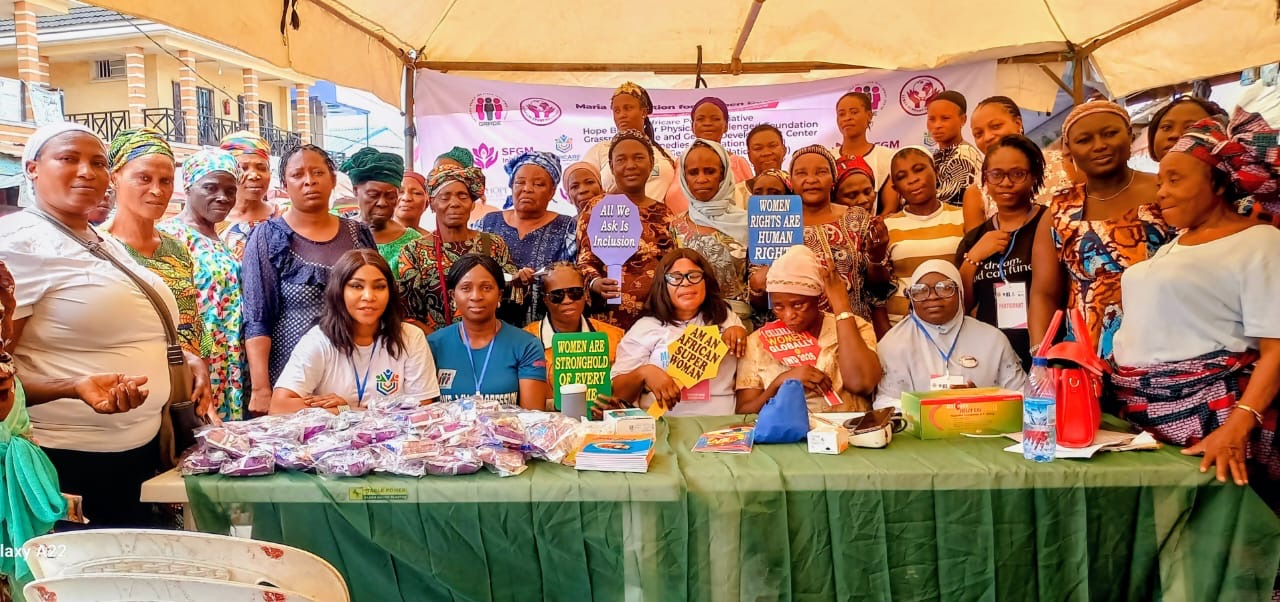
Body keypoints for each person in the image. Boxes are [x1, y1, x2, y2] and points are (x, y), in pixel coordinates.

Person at [0, 123, 189, 527]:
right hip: (68, 462)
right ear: (32, 168)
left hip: (137, 453)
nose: (87, 171)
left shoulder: (100, 240)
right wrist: (71, 387)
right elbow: (2, 375)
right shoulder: (18, 244)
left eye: (98, 163)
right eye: (69, 159)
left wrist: (181, 359)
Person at [1112, 109, 1280, 504]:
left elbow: (1275, 349)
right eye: (1161, 181)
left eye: (1176, 179)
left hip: (1210, 416)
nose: (1162, 192)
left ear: (1218, 184)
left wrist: (1238, 426)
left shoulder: (1259, 243)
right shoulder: (1175, 244)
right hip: (1142, 412)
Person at [1028, 100, 1174, 360]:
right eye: (1084, 140)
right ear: (1069, 149)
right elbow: (1044, 294)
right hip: (1087, 356)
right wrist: (1041, 358)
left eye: (1109, 133)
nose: (1099, 145)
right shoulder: (1059, 210)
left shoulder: (1163, 192)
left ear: (1130, 135)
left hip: (1166, 342)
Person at [242, 144, 377, 413]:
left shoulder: (358, 234)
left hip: (351, 374)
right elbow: (258, 318)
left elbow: (376, 300)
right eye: (297, 175)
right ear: (284, 184)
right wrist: (261, 388)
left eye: (317, 172)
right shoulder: (268, 237)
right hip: (291, 379)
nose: (309, 181)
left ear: (333, 180)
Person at [104, 129, 215, 408]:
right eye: (144, 178)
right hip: (122, 392)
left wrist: (200, 375)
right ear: (114, 177)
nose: (157, 190)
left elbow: (191, 324)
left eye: (165, 181)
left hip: (179, 392)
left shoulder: (176, 249)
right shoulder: (98, 247)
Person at [271, 249, 439, 414]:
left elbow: (421, 409)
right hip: (333, 439)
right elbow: (280, 406)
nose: (368, 296)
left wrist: (348, 410)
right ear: (339, 290)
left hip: (394, 439)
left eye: (379, 287)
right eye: (356, 286)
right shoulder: (318, 339)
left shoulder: (410, 337)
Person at [157, 148, 247, 421]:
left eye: (230, 190)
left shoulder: (224, 239)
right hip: (197, 360)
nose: (223, 197)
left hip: (231, 359)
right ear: (188, 187)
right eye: (210, 187)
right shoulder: (168, 237)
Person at [736, 245, 880, 413]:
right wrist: (781, 382)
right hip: (785, 437)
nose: (789, 315)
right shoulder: (757, 342)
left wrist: (841, 308)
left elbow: (861, 383)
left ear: (817, 299)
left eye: (798, 304)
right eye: (778, 307)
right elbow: (744, 412)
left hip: (845, 433)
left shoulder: (854, 326)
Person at [610, 249, 747, 416]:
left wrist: (739, 335)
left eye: (694, 275)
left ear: (706, 281)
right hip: (662, 424)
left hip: (720, 426)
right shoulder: (645, 327)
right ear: (663, 285)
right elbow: (617, 394)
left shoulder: (726, 319)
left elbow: (748, 371)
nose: (685, 283)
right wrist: (644, 373)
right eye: (675, 277)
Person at [875, 260, 1027, 409]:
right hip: (918, 432)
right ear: (911, 298)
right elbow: (884, 403)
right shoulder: (893, 344)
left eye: (945, 288)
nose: (933, 296)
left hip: (985, 430)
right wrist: (930, 409)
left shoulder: (993, 339)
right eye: (920, 290)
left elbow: (1024, 395)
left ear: (960, 293)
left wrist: (982, 401)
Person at [779, 145, 894, 335]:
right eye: (801, 173)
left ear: (833, 179)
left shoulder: (858, 218)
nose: (811, 179)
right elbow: (761, 296)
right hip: (796, 338)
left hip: (856, 330)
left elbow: (878, 288)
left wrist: (876, 258)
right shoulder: (778, 223)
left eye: (821, 172)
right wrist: (759, 285)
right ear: (791, 181)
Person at [955, 135, 1046, 371]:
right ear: (985, 178)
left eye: (1017, 174)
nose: (1006, 183)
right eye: (996, 175)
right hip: (992, 356)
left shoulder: (1049, 224)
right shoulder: (974, 238)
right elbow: (960, 307)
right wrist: (974, 257)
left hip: (1045, 351)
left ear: (1034, 176)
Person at [398, 164, 520, 333]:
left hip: (491, 345)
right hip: (437, 350)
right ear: (432, 204)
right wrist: (444, 343)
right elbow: (409, 315)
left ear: (472, 204)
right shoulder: (413, 252)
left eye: (462, 196)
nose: (454, 203)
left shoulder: (493, 245)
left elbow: (509, 301)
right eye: (445, 197)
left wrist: (521, 283)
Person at [578, 130, 677, 330]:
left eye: (638, 158)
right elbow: (585, 260)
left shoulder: (664, 213)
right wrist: (595, 282)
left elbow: (674, 265)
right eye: (621, 159)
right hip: (607, 320)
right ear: (612, 167)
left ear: (651, 164)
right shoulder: (597, 207)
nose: (630, 165)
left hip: (657, 320)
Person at [426, 254, 546, 409]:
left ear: (500, 295)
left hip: (510, 433)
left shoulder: (526, 346)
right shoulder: (433, 346)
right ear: (453, 296)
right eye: (466, 288)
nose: (476, 296)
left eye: (486, 288)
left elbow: (533, 420)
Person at [477, 151, 577, 327]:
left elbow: (573, 277)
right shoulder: (486, 224)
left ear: (552, 191)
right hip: (491, 326)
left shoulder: (568, 227)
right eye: (520, 182)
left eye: (538, 184)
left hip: (546, 330)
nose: (527, 188)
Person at [670, 139, 755, 326]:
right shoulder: (674, 227)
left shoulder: (751, 222)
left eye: (710, 171)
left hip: (744, 326)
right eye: (693, 172)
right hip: (692, 331)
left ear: (723, 174)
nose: (702, 179)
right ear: (684, 178)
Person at [961, 96, 1080, 229]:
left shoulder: (1065, 165)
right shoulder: (976, 192)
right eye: (978, 134)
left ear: (1018, 124)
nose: (988, 137)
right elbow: (975, 246)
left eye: (996, 126)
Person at [883, 147, 966, 326]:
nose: (912, 180)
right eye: (902, 176)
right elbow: (879, 288)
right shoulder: (888, 227)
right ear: (895, 188)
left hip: (956, 322)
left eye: (919, 169)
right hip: (902, 325)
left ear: (935, 171)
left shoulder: (963, 217)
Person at [523, 262, 625, 401]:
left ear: (584, 294)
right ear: (545, 299)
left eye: (574, 292)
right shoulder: (525, 341)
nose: (567, 300)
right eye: (557, 295)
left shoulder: (616, 338)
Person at [582, 82, 679, 210]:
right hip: (615, 224)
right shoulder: (599, 151)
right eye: (617, 111)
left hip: (658, 225)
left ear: (643, 112)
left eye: (628, 108)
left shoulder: (665, 154)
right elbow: (583, 189)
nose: (622, 115)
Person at [342, 147, 421, 275]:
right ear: (356, 190)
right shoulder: (340, 234)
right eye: (373, 195)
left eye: (390, 196)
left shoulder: (413, 243)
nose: (382, 203)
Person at [673, 97, 753, 209]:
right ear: (692, 127)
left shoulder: (738, 163)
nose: (707, 123)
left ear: (726, 126)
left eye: (715, 119)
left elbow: (748, 201)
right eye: (700, 119)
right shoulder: (678, 163)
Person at [832, 91, 898, 214]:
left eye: (854, 112)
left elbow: (890, 209)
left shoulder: (888, 157)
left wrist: (871, 230)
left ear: (869, 115)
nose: (847, 118)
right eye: (842, 114)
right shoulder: (828, 159)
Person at [218, 131, 277, 261]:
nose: (254, 175)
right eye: (243, 168)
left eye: (261, 168)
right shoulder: (211, 223)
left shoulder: (285, 217)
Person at [927, 91, 984, 208]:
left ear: (963, 120)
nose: (937, 125)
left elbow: (948, 202)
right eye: (932, 119)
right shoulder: (938, 156)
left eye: (945, 118)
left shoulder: (964, 154)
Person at [735, 124, 788, 207]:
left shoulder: (797, 189)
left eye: (772, 146)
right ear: (749, 156)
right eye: (758, 148)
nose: (766, 153)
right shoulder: (736, 194)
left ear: (784, 150)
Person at [396, 169, 431, 234]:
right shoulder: (374, 238)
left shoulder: (436, 241)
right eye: (400, 192)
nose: (406, 198)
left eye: (416, 193)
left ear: (427, 200)